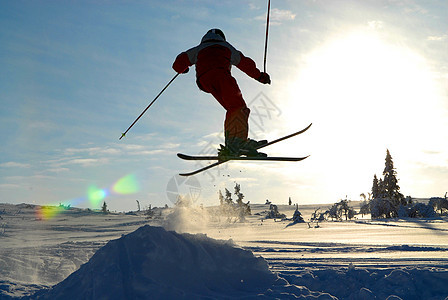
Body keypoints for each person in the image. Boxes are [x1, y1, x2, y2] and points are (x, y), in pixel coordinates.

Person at [172, 28, 271, 157]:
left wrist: (182, 69)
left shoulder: (198, 49)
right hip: (221, 75)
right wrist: (260, 76)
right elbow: (245, 63)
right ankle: (237, 143)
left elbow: (179, 62)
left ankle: (234, 143)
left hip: (204, 81)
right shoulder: (226, 47)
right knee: (238, 107)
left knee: (232, 108)